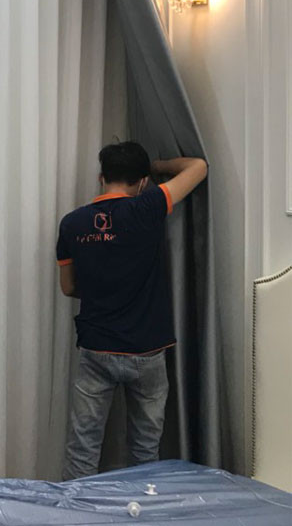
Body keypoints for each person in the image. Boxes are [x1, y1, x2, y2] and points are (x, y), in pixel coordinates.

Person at [56, 141, 208, 480]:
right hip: (146, 350)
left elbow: (68, 287)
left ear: (101, 178)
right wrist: (158, 166)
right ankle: (141, 507)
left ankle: (74, 508)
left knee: (83, 449)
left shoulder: (72, 224)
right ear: (142, 183)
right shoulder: (147, 206)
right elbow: (198, 167)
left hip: (96, 348)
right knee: (145, 452)